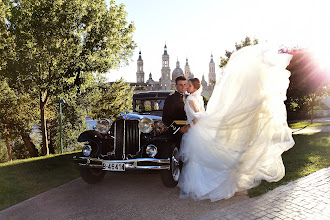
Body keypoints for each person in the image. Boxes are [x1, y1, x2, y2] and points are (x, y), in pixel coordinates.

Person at [178, 44, 295, 202]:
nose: (186, 87)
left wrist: (187, 127)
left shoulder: (191, 99)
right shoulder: (197, 98)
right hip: (198, 129)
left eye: (189, 85)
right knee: (202, 159)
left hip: (194, 131)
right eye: (186, 85)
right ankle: (207, 184)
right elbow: (201, 115)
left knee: (197, 161)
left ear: (194, 87)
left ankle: (199, 186)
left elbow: (197, 119)